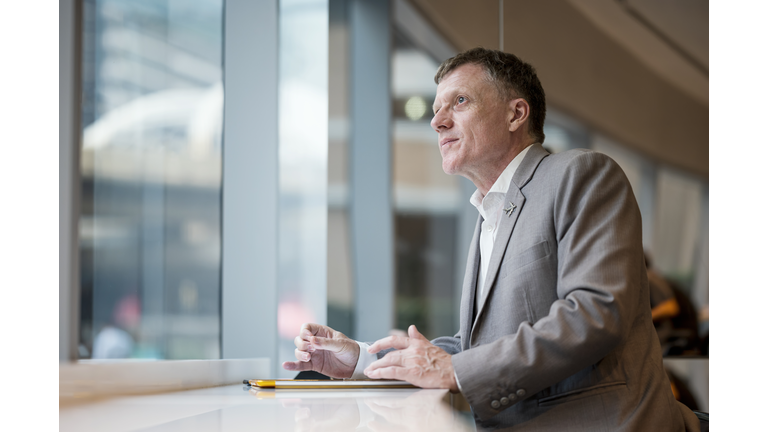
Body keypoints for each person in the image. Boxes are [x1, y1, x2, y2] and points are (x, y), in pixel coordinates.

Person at [283, 47, 700, 431]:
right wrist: (359, 358)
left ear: (516, 113)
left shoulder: (581, 174)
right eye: (436, 109)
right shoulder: (489, 213)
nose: (437, 120)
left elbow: (596, 312)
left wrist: (455, 371)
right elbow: (476, 346)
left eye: (459, 102)